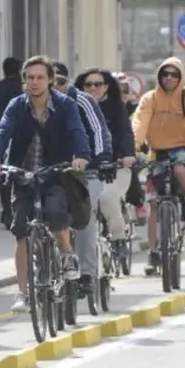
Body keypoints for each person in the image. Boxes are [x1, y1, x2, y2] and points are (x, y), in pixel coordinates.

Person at [0, 56, 90, 313]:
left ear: (50, 80)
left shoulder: (65, 105)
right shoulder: (16, 106)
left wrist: (81, 156)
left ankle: (67, 255)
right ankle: (23, 293)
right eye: (30, 77)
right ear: (24, 80)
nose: (34, 82)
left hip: (55, 174)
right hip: (22, 175)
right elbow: (2, 133)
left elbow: (77, 131)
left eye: (40, 77)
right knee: (21, 232)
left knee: (55, 214)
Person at [131, 57, 185, 275]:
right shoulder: (150, 98)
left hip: (182, 147)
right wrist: (134, 146)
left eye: (174, 74)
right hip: (157, 151)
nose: (169, 78)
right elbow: (139, 122)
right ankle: (153, 253)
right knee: (154, 203)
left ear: (180, 77)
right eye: (165, 74)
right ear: (159, 76)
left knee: (181, 170)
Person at [52, 62, 112, 296]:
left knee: (84, 216)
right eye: (51, 82)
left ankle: (87, 273)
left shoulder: (83, 100)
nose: (56, 86)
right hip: (56, 170)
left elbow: (98, 132)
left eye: (60, 81)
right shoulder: (37, 103)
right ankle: (49, 267)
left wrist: (102, 159)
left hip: (88, 171)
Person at [74, 68, 136, 261]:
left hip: (114, 168)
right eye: (88, 85)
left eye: (98, 84)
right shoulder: (74, 107)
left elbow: (126, 134)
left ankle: (118, 238)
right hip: (83, 169)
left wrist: (128, 155)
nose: (93, 88)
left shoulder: (116, 107)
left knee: (107, 196)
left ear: (107, 87)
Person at [0, 57, 24, 229]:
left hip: (0, 138)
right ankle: (19, 209)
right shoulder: (24, 88)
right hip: (22, 138)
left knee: (4, 174)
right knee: (23, 172)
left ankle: (7, 211)